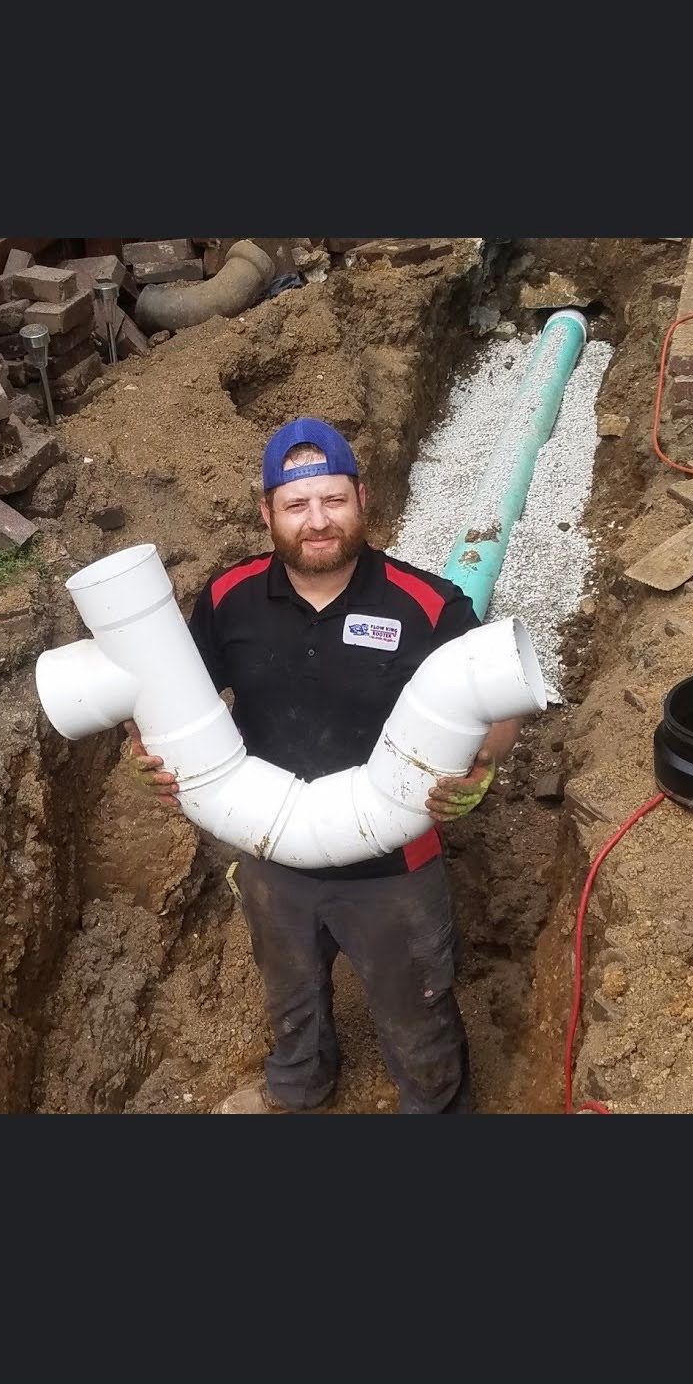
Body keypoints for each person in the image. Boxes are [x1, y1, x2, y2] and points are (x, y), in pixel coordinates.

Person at [127, 416, 523, 1113]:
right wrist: (151, 752)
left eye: (333, 500)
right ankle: (299, 1086)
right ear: (267, 512)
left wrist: (482, 766)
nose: (317, 521)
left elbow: (503, 698)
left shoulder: (425, 604)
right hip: (270, 850)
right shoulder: (228, 598)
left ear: (362, 499)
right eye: (297, 504)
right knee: (289, 993)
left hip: (393, 866)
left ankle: (434, 1105)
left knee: (416, 1009)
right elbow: (168, 695)